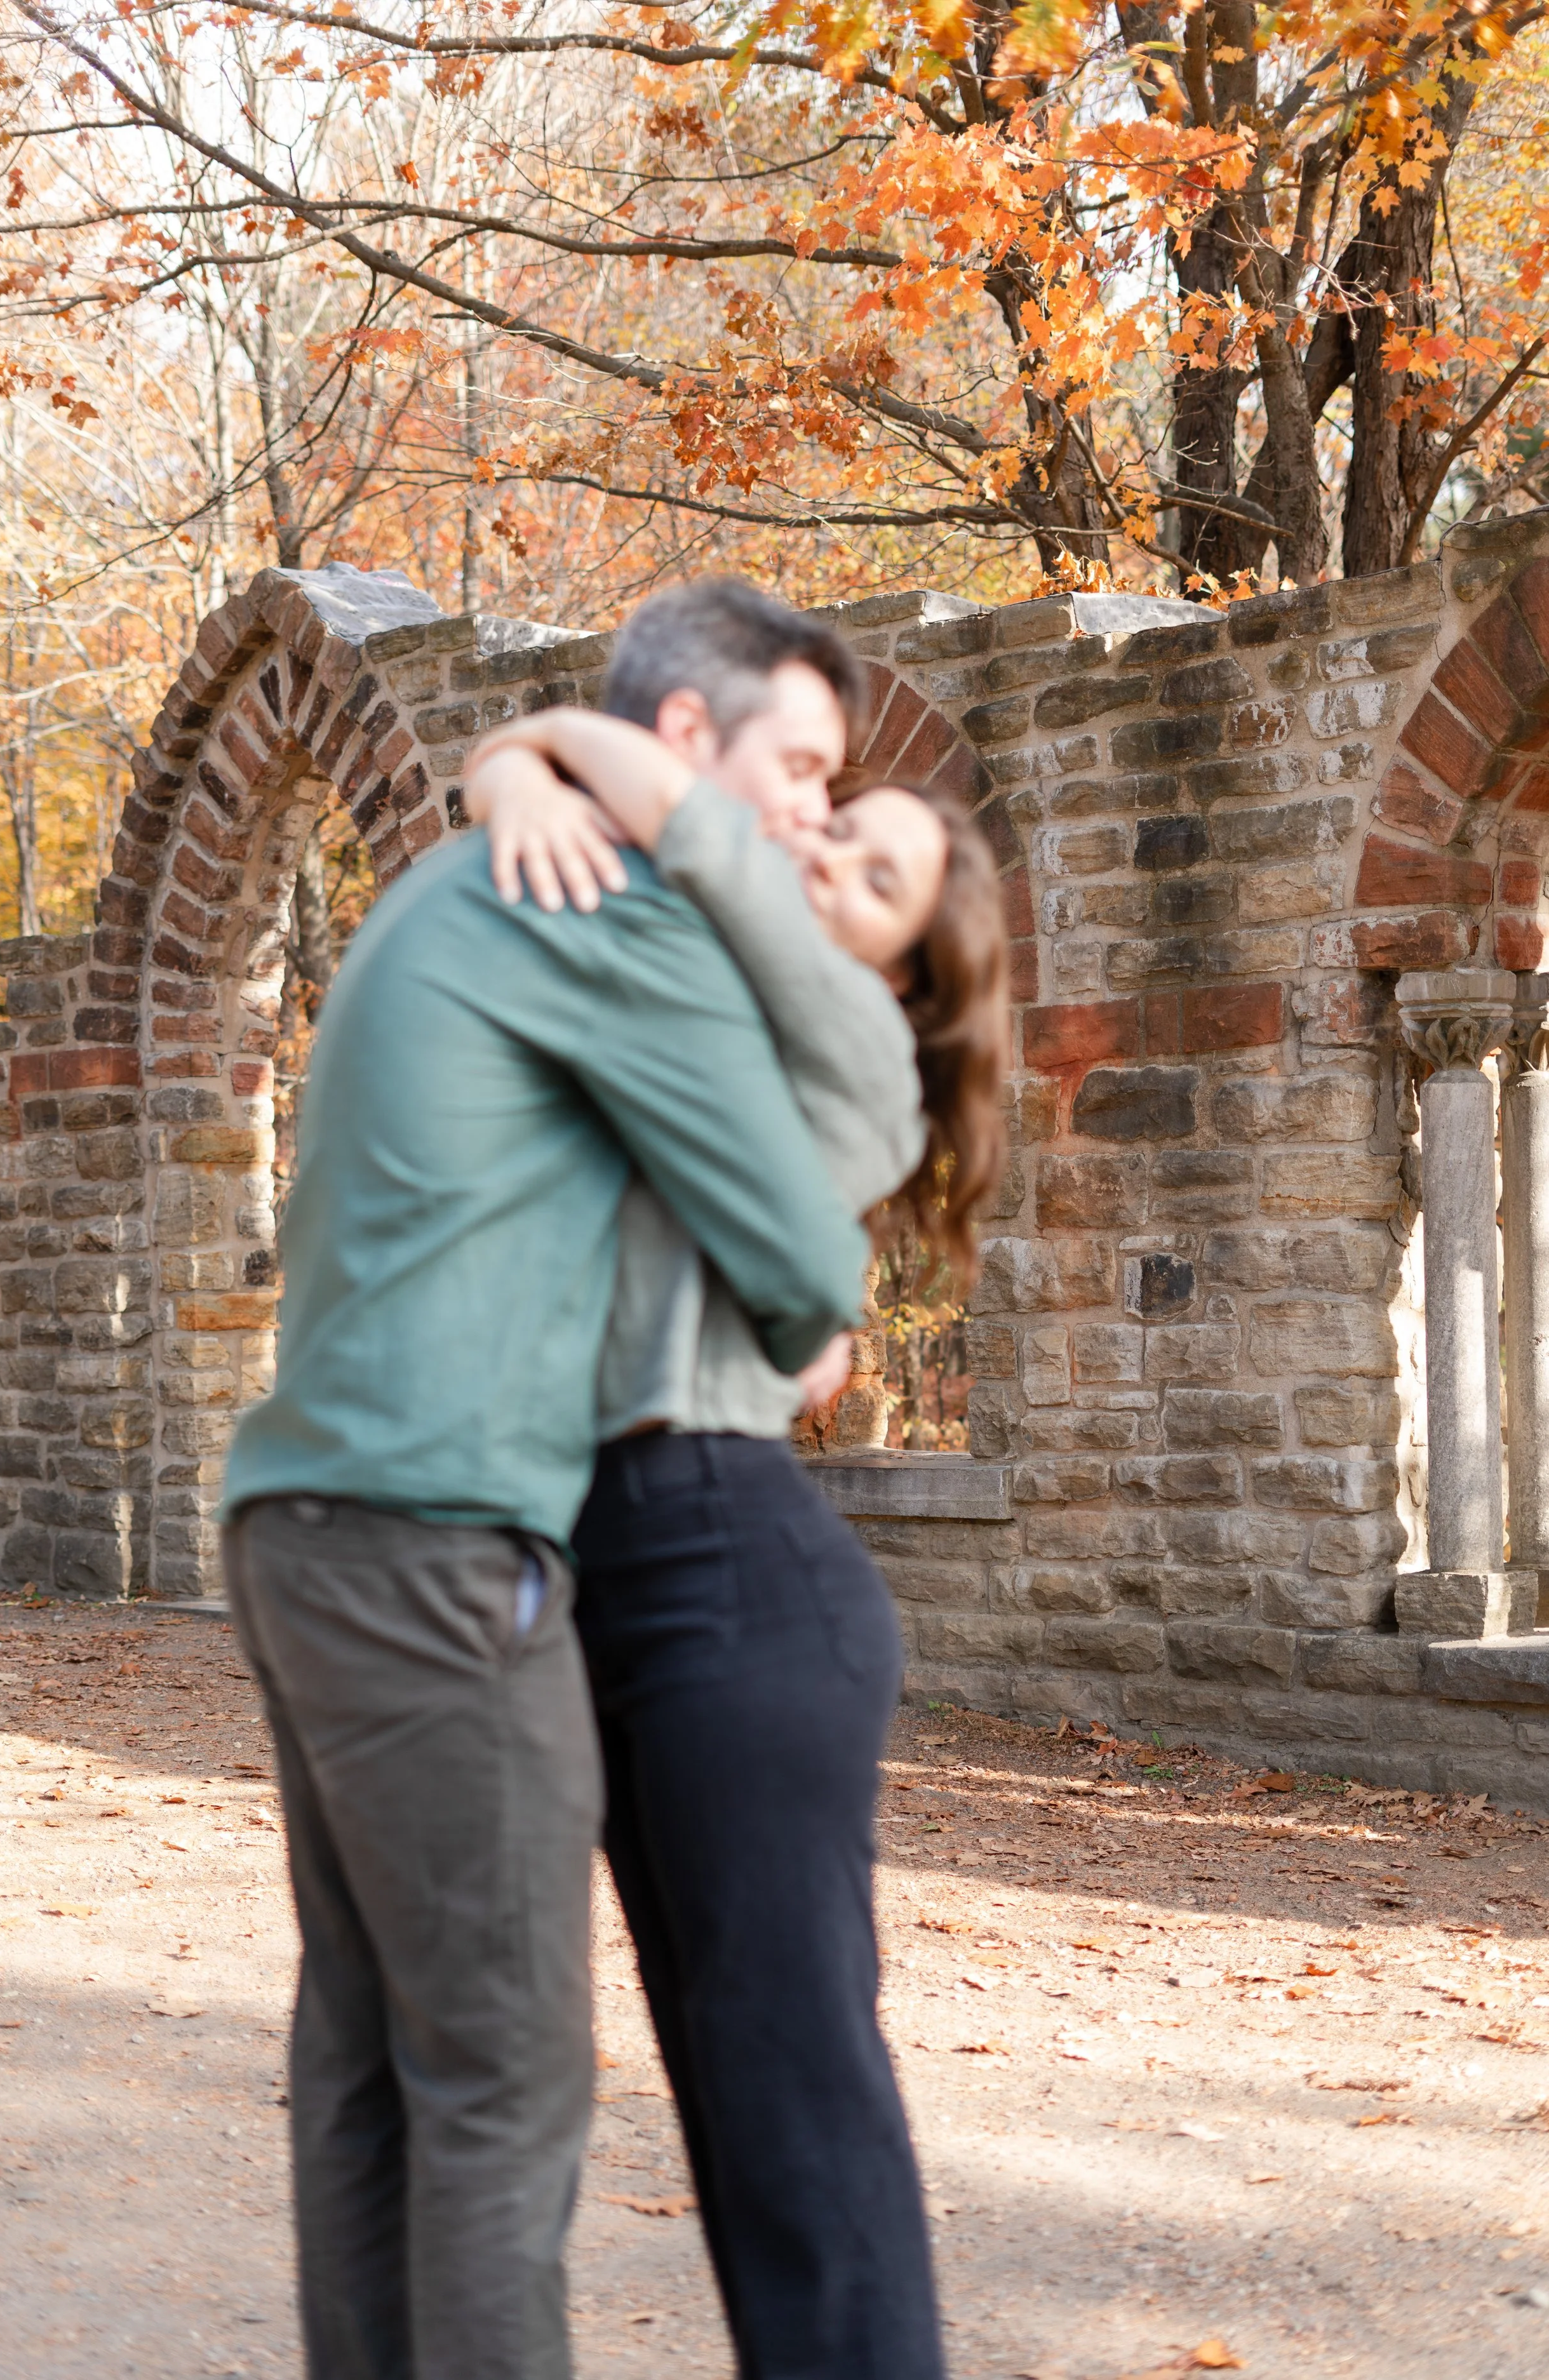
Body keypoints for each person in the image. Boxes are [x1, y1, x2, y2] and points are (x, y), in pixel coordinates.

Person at [216, 588, 875, 2380]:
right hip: (441, 1544)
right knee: (504, 2074)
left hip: (300, 1524)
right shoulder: (612, 901)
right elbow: (811, 1260)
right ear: (679, 745)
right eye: (796, 766)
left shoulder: (463, 876)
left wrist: (512, 760)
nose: (813, 810)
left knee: (371, 2063)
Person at [462, 644, 1008, 2380]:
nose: (824, 858)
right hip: (614, 1562)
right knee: (725, 2102)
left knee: (796, 2106)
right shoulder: (707, 1001)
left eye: (873, 879)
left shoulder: (853, 1037)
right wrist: (508, 795)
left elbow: (701, 837)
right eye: (836, 825)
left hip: (730, 1570)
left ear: (907, 973)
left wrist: (535, 739)